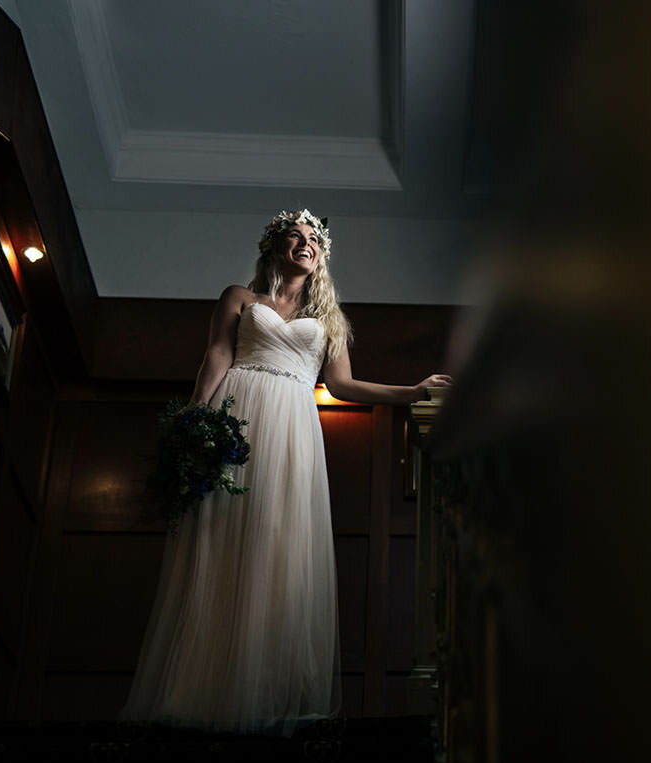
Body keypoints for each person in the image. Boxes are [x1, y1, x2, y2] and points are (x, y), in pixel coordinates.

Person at [119, 209, 451, 735]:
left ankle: (266, 689)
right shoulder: (239, 297)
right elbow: (218, 355)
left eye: (313, 238)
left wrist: (411, 393)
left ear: (321, 255)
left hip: (293, 423)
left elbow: (342, 386)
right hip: (239, 408)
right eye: (293, 236)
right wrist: (195, 418)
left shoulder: (330, 319)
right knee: (222, 535)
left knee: (278, 540)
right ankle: (201, 690)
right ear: (273, 248)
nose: (305, 243)